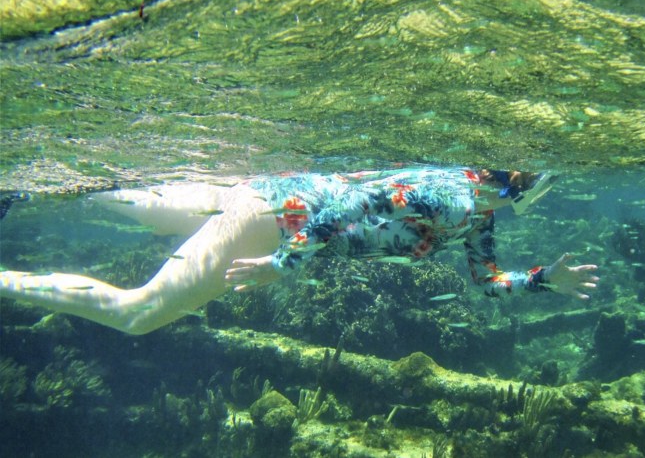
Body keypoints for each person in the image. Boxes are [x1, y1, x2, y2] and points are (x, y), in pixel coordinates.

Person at [0, 167, 598, 335]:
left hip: (266, 199)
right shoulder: (453, 196)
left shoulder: (476, 214)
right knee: (137, 314)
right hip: (275, 226)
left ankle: (42, 184)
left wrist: (545, 279)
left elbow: (484, 279)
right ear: (512, 184)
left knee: (159, 214)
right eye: (532, 189)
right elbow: (347, 212)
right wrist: (280, 264)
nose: (531, 198)